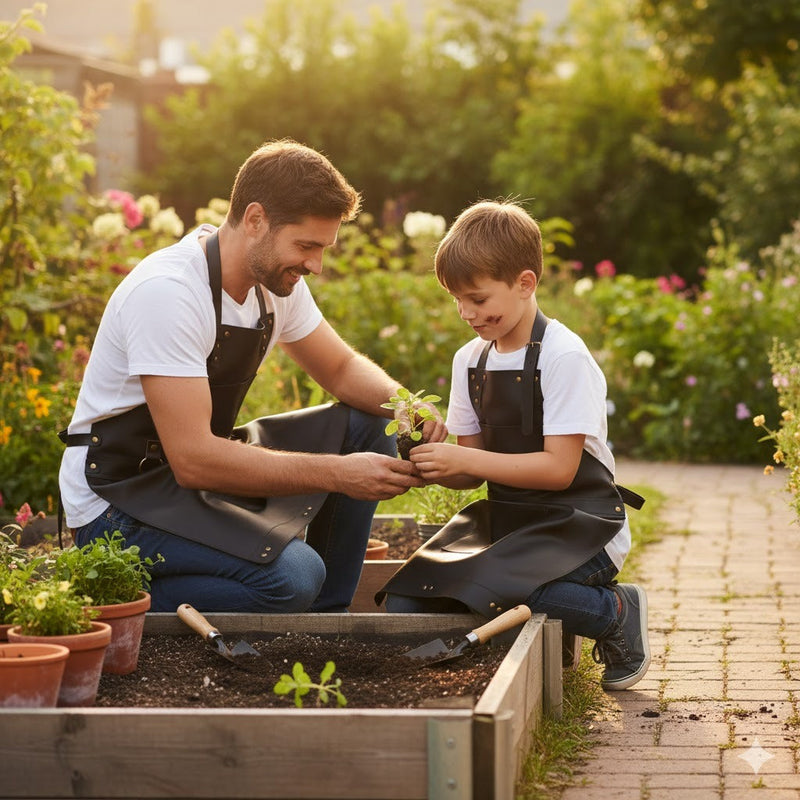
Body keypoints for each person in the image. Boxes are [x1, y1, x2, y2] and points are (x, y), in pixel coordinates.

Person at [58, 139, 445, 614]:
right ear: (256, 219)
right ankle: (103, 596)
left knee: (369, 426)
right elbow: (195, 459)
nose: (316, 265)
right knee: (293, 576)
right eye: (306, 246)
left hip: (185, 481)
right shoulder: (169, 292)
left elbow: (341, 369)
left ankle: (326, 615)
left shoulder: (273, 282)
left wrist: (407, 405)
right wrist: (339, 475)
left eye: (323, 248)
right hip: (118, 499)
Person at [378, 200, 650, 690]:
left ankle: (615, 611)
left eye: (478, 299)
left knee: (496, 587)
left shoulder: (564, 357)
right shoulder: (471, 360)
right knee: (410, 596)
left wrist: (465, 456)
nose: (466, 313)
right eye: (457, 300)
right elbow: (470, 474)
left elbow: (559, 471)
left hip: (583, 525)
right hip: (512, 525)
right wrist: (427, 455)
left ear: (525, 284)